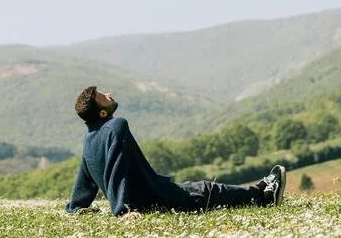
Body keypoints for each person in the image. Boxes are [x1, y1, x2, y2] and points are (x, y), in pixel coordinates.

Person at [65, 85, 286, 217]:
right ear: (103, 113)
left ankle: (260, 191)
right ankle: (264, 196)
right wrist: (121, 210)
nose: (108, 93)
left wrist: (76, 207)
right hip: (153, 198)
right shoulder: (116, 126)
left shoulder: (89, 140)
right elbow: (116, 168)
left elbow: (85, 179)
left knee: (197, 188)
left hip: (149, 194)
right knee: (206, 190)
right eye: (103, 96)